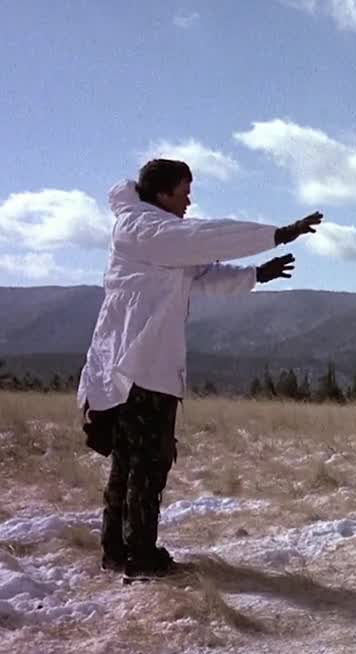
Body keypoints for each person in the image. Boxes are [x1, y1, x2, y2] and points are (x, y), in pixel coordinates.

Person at [78, 159, 322, 579]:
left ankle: (118, 550)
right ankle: (139, 556)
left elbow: (200, 275)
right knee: (146, 464)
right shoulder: (146, 229)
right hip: (138, 367)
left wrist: (255, 275)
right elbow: (203, 238)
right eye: (184, 192)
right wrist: (276, 234)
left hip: (138, 366)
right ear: (162, 194)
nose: (189, 201)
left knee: (131, 462)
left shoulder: (156, 236)